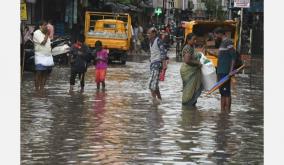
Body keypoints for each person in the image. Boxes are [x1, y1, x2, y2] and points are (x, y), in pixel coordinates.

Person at [213, 27, 237, 113]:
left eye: (216, 35)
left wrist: (231, 71)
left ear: (220, 34)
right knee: (222, 92)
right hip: (220, 70)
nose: (215, 37)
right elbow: (224, 56)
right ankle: (223, 112)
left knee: (226, 92)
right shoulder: (222, 43)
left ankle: (227, 111)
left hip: (225, 71)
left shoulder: (228, 42)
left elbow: (234, 56)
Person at [180, 33, 203, 107]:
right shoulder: (188, 48)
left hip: (191, 72)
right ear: (188, 40)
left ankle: (191, 111)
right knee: (189, 90)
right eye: (193, 39)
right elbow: (187, 60)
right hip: (189, 72)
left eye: (196, 39)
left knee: (190, 90)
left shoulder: (191, 47)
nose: (195, 41)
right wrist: (198, 63)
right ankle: (187, 107)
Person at [147, 27, 167, 104]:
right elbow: (153, 53)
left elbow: (163, 52)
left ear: (154, 34)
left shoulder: (158, 41)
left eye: (149, 33)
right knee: (154, 85)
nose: (148, 35)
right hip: (152, 64)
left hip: (157, 64)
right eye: (148, 33)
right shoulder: (150, 42)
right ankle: (159, 99)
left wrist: (164, 64)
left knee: (151, 84)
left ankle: (154, 101)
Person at [33, 20, 54, 92]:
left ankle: (42, 88)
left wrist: (47, 34)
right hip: (40, 56)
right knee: (39, 73)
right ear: (40, 26)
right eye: (45, 25)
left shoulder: (45, 33)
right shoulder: (37, 33)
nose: (47, 27)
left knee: (45, 73)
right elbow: (43, 43)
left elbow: (48, 44)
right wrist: (47, 34)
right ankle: (36, 89)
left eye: (47, 25)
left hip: (47, 56)